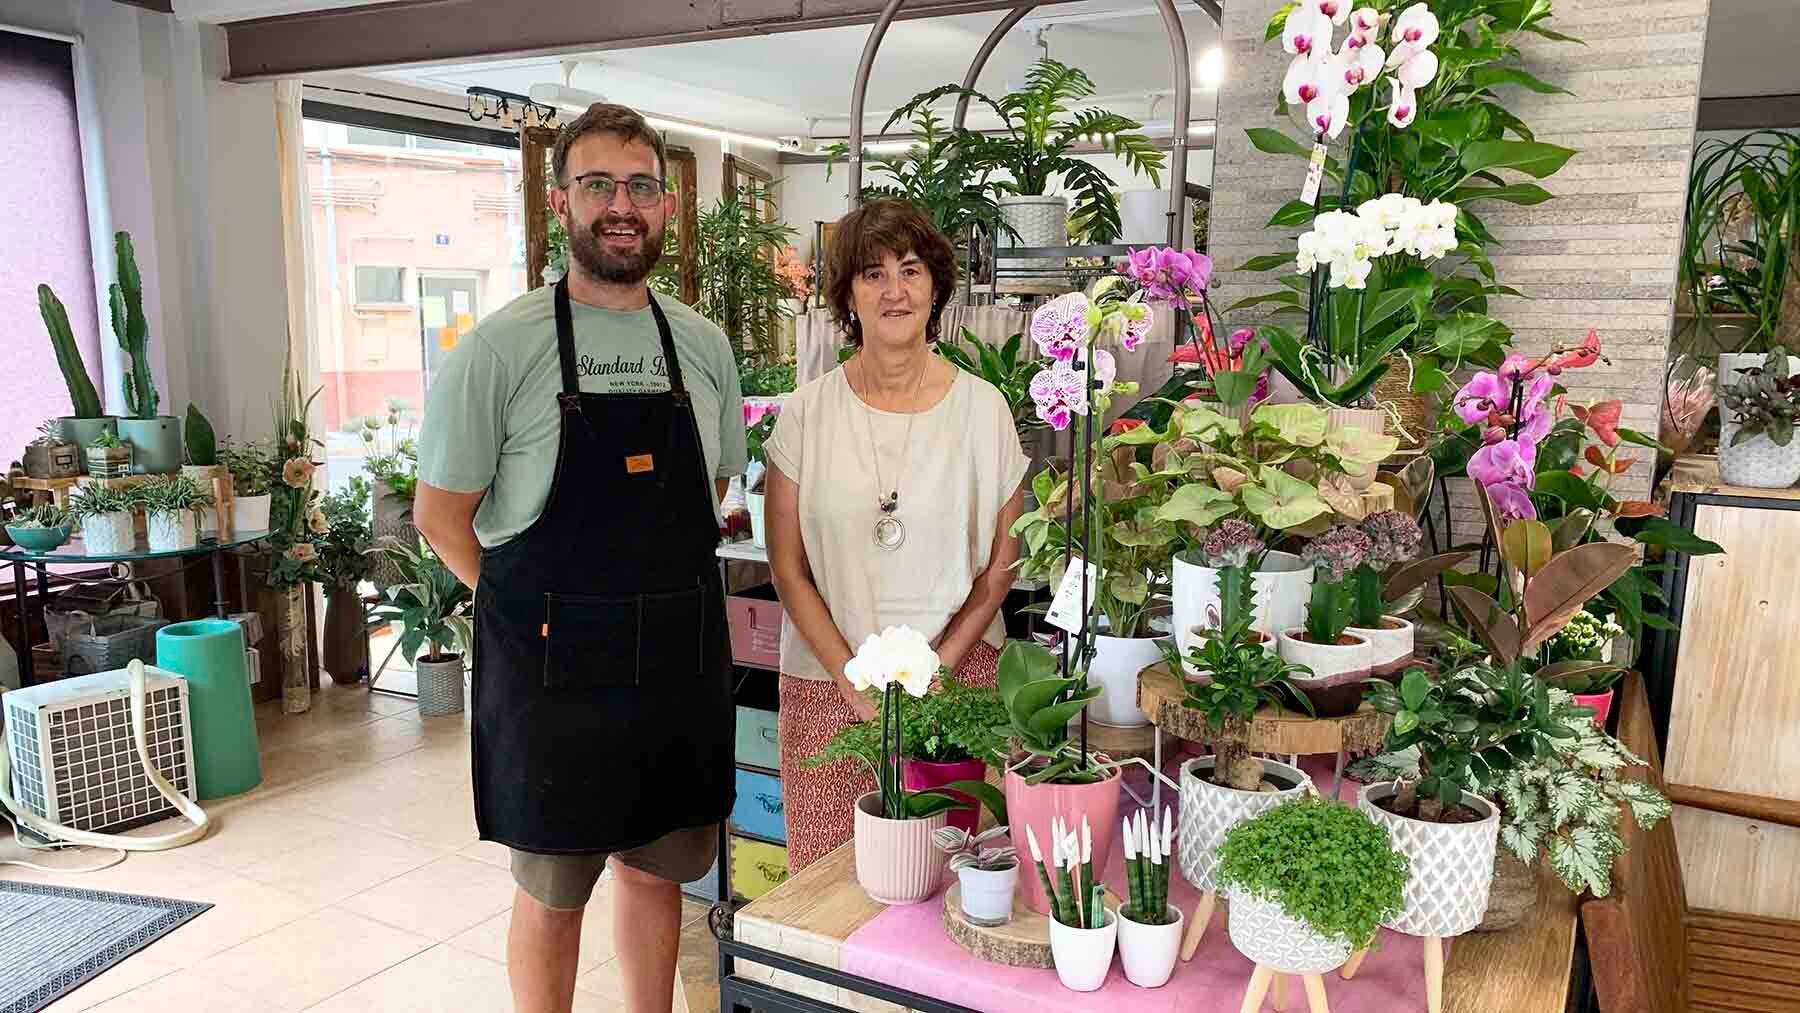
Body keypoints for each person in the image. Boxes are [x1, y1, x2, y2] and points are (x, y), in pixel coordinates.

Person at [413, 103, 743, 1013]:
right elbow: (439, 515)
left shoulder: (704, 345)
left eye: (641, 186)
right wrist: (530, 607)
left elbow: (713, 486)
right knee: (555, 891)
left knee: (658, 874)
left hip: (674, 661)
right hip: (556, 673)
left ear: (667, 205)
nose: (621, 205)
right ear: (560, 202)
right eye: (598, 184)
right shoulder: (498, 348)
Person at [765, 198, 1029, 871]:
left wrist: (940, 667)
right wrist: (850, 681)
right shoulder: (806, 413)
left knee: (955, 880)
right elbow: (787, 568)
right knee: (828, 888)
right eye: (873, 273)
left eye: (910, 270)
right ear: (848, 295)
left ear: (935, 286)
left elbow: (1004, 562)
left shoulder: (984, 410)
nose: (894, 290)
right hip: (829, 685)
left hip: (958, 682)